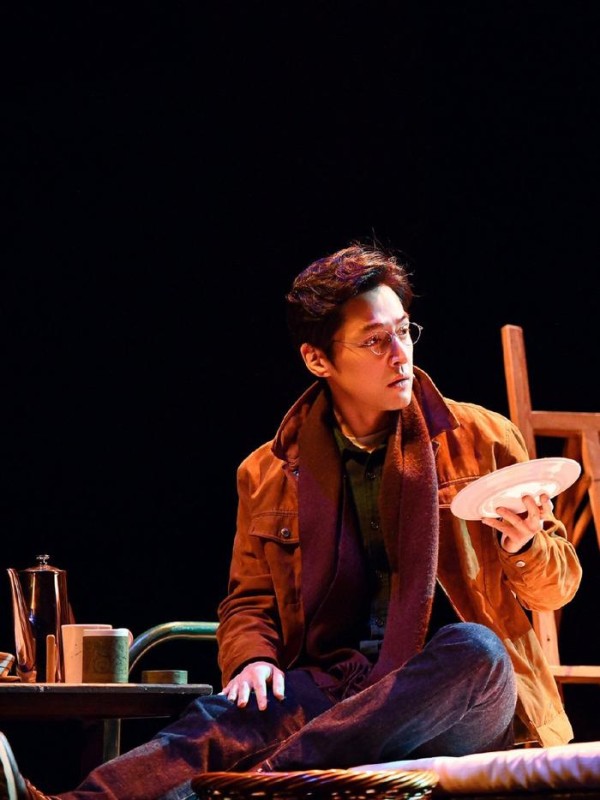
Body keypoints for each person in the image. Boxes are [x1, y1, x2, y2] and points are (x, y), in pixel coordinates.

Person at [1, 242, 583, 800]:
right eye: (375, 340)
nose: (400, 354)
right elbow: (248, 601)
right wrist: (252, 658)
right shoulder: (268, 472)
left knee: (476, 649)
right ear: (317, 359)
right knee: (222, 717)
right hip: (340, 684)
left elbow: (557, 588)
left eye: (405, 330)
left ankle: (269, 781)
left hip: (458, 697)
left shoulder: (481, 438)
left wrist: (526, 545)